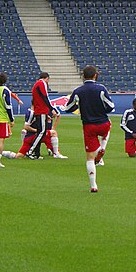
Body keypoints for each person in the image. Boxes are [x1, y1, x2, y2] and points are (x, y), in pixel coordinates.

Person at [64, 65, 115, 193]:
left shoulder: (78, 91)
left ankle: (93, 186)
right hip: (103, 123)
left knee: (90, 158)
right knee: (109, 125)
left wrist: (81, 108)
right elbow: (111, 107)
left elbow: (68, 108)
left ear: (83, 76)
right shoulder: (101, 88)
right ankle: (102, 147)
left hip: (89, 126)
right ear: (95, 76)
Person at [27, 72, 59, 159]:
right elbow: (45, 97)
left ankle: (36, 154)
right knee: (42, 132)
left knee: (40, 132)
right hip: (41, 110)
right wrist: (51, 109)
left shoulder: (37, 84)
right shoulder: (42, 83)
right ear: (47, 78)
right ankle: (30, 151)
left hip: (39, 110)